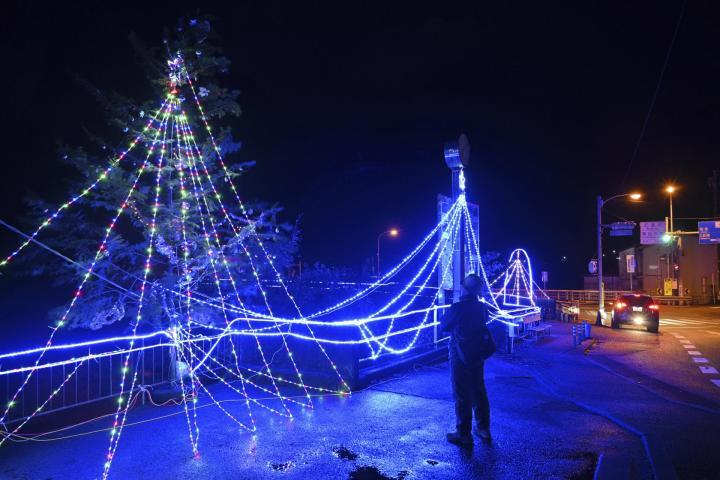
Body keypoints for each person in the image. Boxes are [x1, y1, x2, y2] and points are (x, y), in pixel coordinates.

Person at [440, 273, 494, 446]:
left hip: (459, 353)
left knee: (462, 391)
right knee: (479, 389)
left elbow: (444, 326)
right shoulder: (481, 308)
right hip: (478, 353)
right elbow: (484, 321)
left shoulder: (457, 308)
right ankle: (483, 428)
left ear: (464, 288)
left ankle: (464, 433)